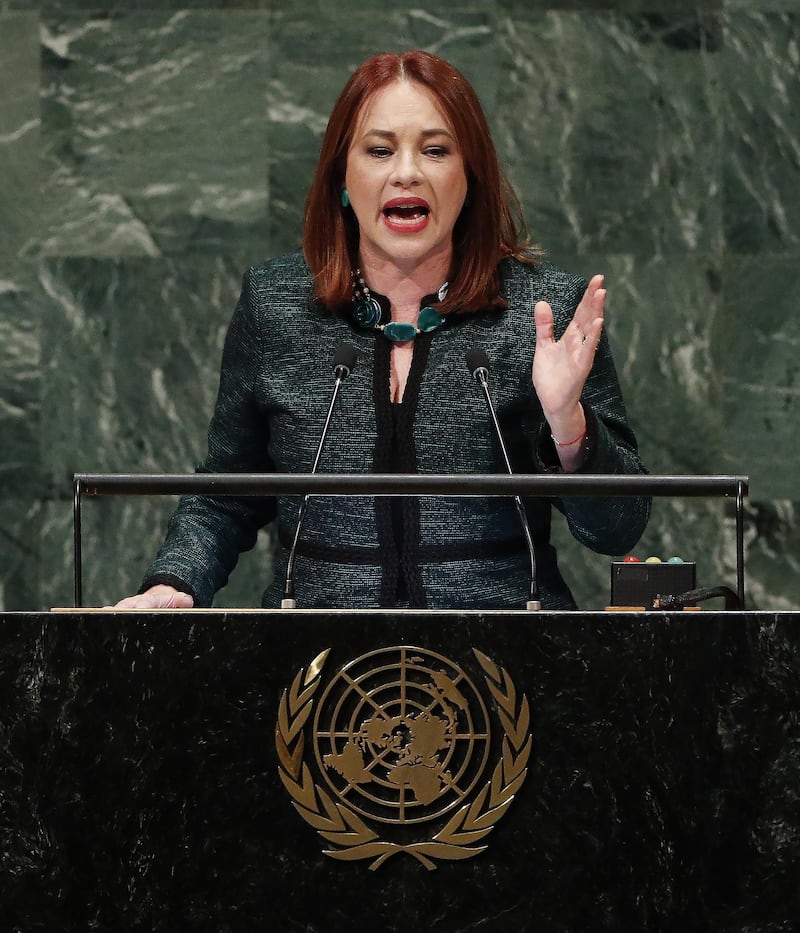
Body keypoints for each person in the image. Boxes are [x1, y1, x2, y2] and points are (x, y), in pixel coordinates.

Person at [114, 50, 650, 612]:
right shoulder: (275, 305)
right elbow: (228, 492)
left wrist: (568, 424)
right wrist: (173, 584)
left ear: (470, 177)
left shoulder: (545, 313)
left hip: (503, 668)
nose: (407, 172)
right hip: (319, 674)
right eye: (379, 150)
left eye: (436, 150)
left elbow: (617, 529)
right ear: (342, 177)